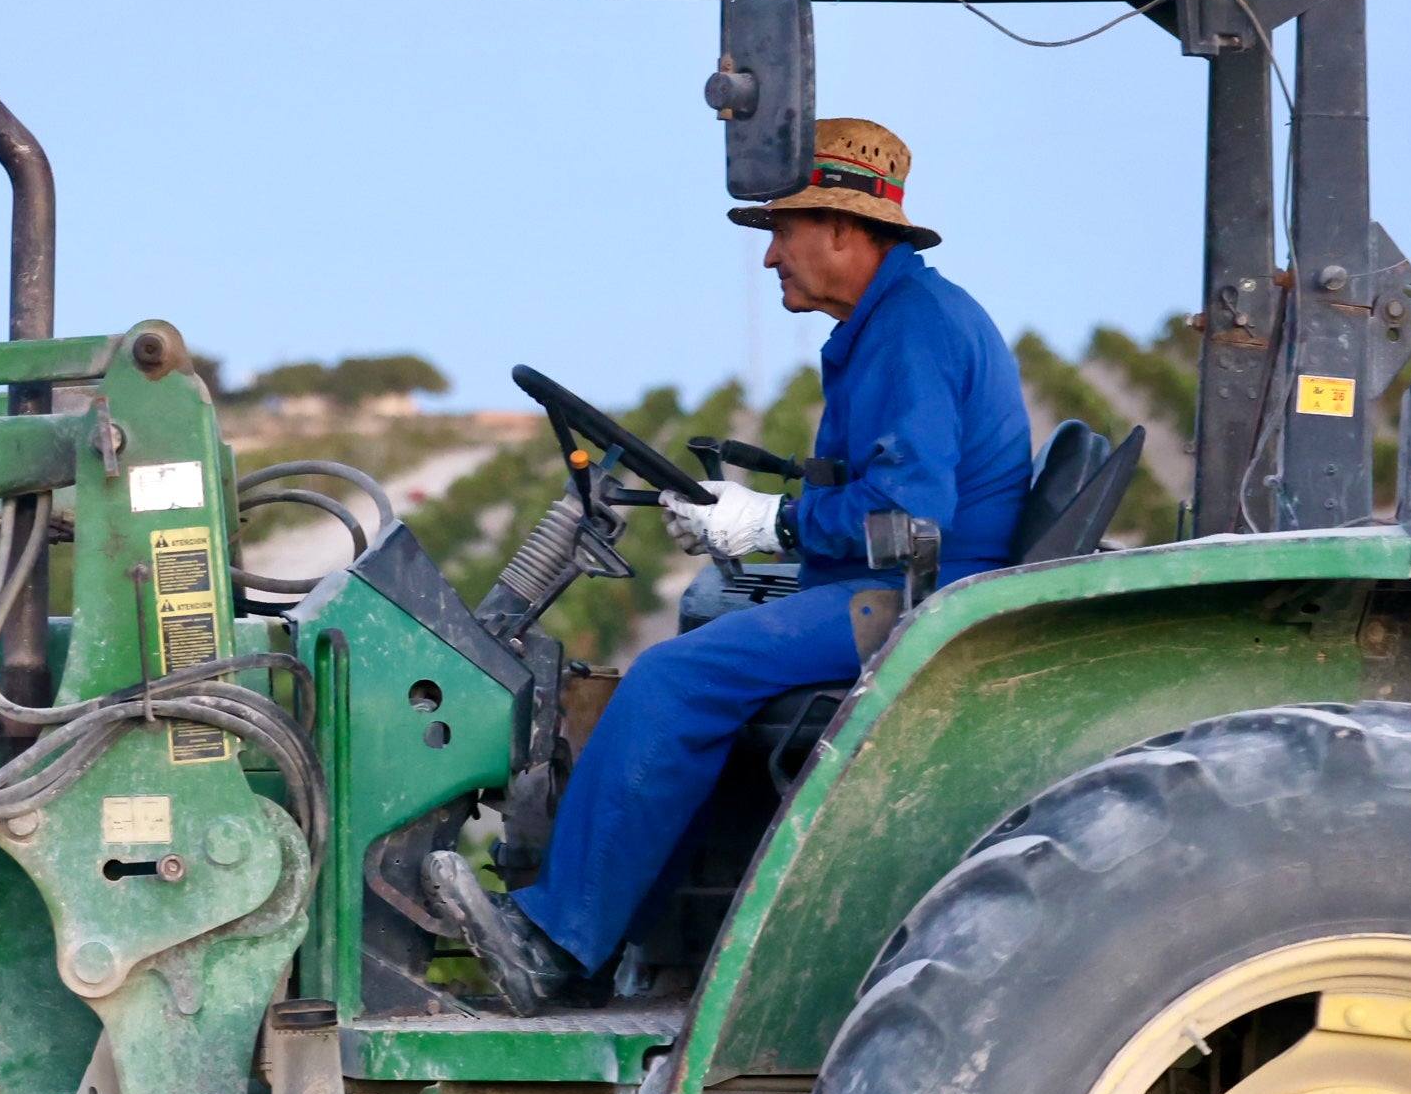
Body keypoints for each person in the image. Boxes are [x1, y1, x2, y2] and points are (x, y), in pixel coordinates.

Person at [427, 118, 1035, 1013]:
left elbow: (907, 514)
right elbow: (868, 485)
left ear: (843, 228)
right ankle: (648, 935)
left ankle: (555, 939)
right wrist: (743, 516)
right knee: (701, 617)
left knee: (674, 680)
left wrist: (770, 524)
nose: (769, 259)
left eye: (782, 232)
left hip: (918, 595)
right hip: (898, 578)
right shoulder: (894, 319)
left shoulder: (914, 328)